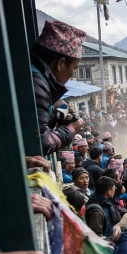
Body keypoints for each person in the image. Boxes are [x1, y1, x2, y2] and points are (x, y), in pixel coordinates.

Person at [30, 20, 85, 154]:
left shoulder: (38, 76)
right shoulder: (37, 85)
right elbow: (43, 143)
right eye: (74, 68)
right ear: (60, 63)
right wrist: (71, 129)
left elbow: (51, 102)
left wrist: (67, 113)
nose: (72, 74)